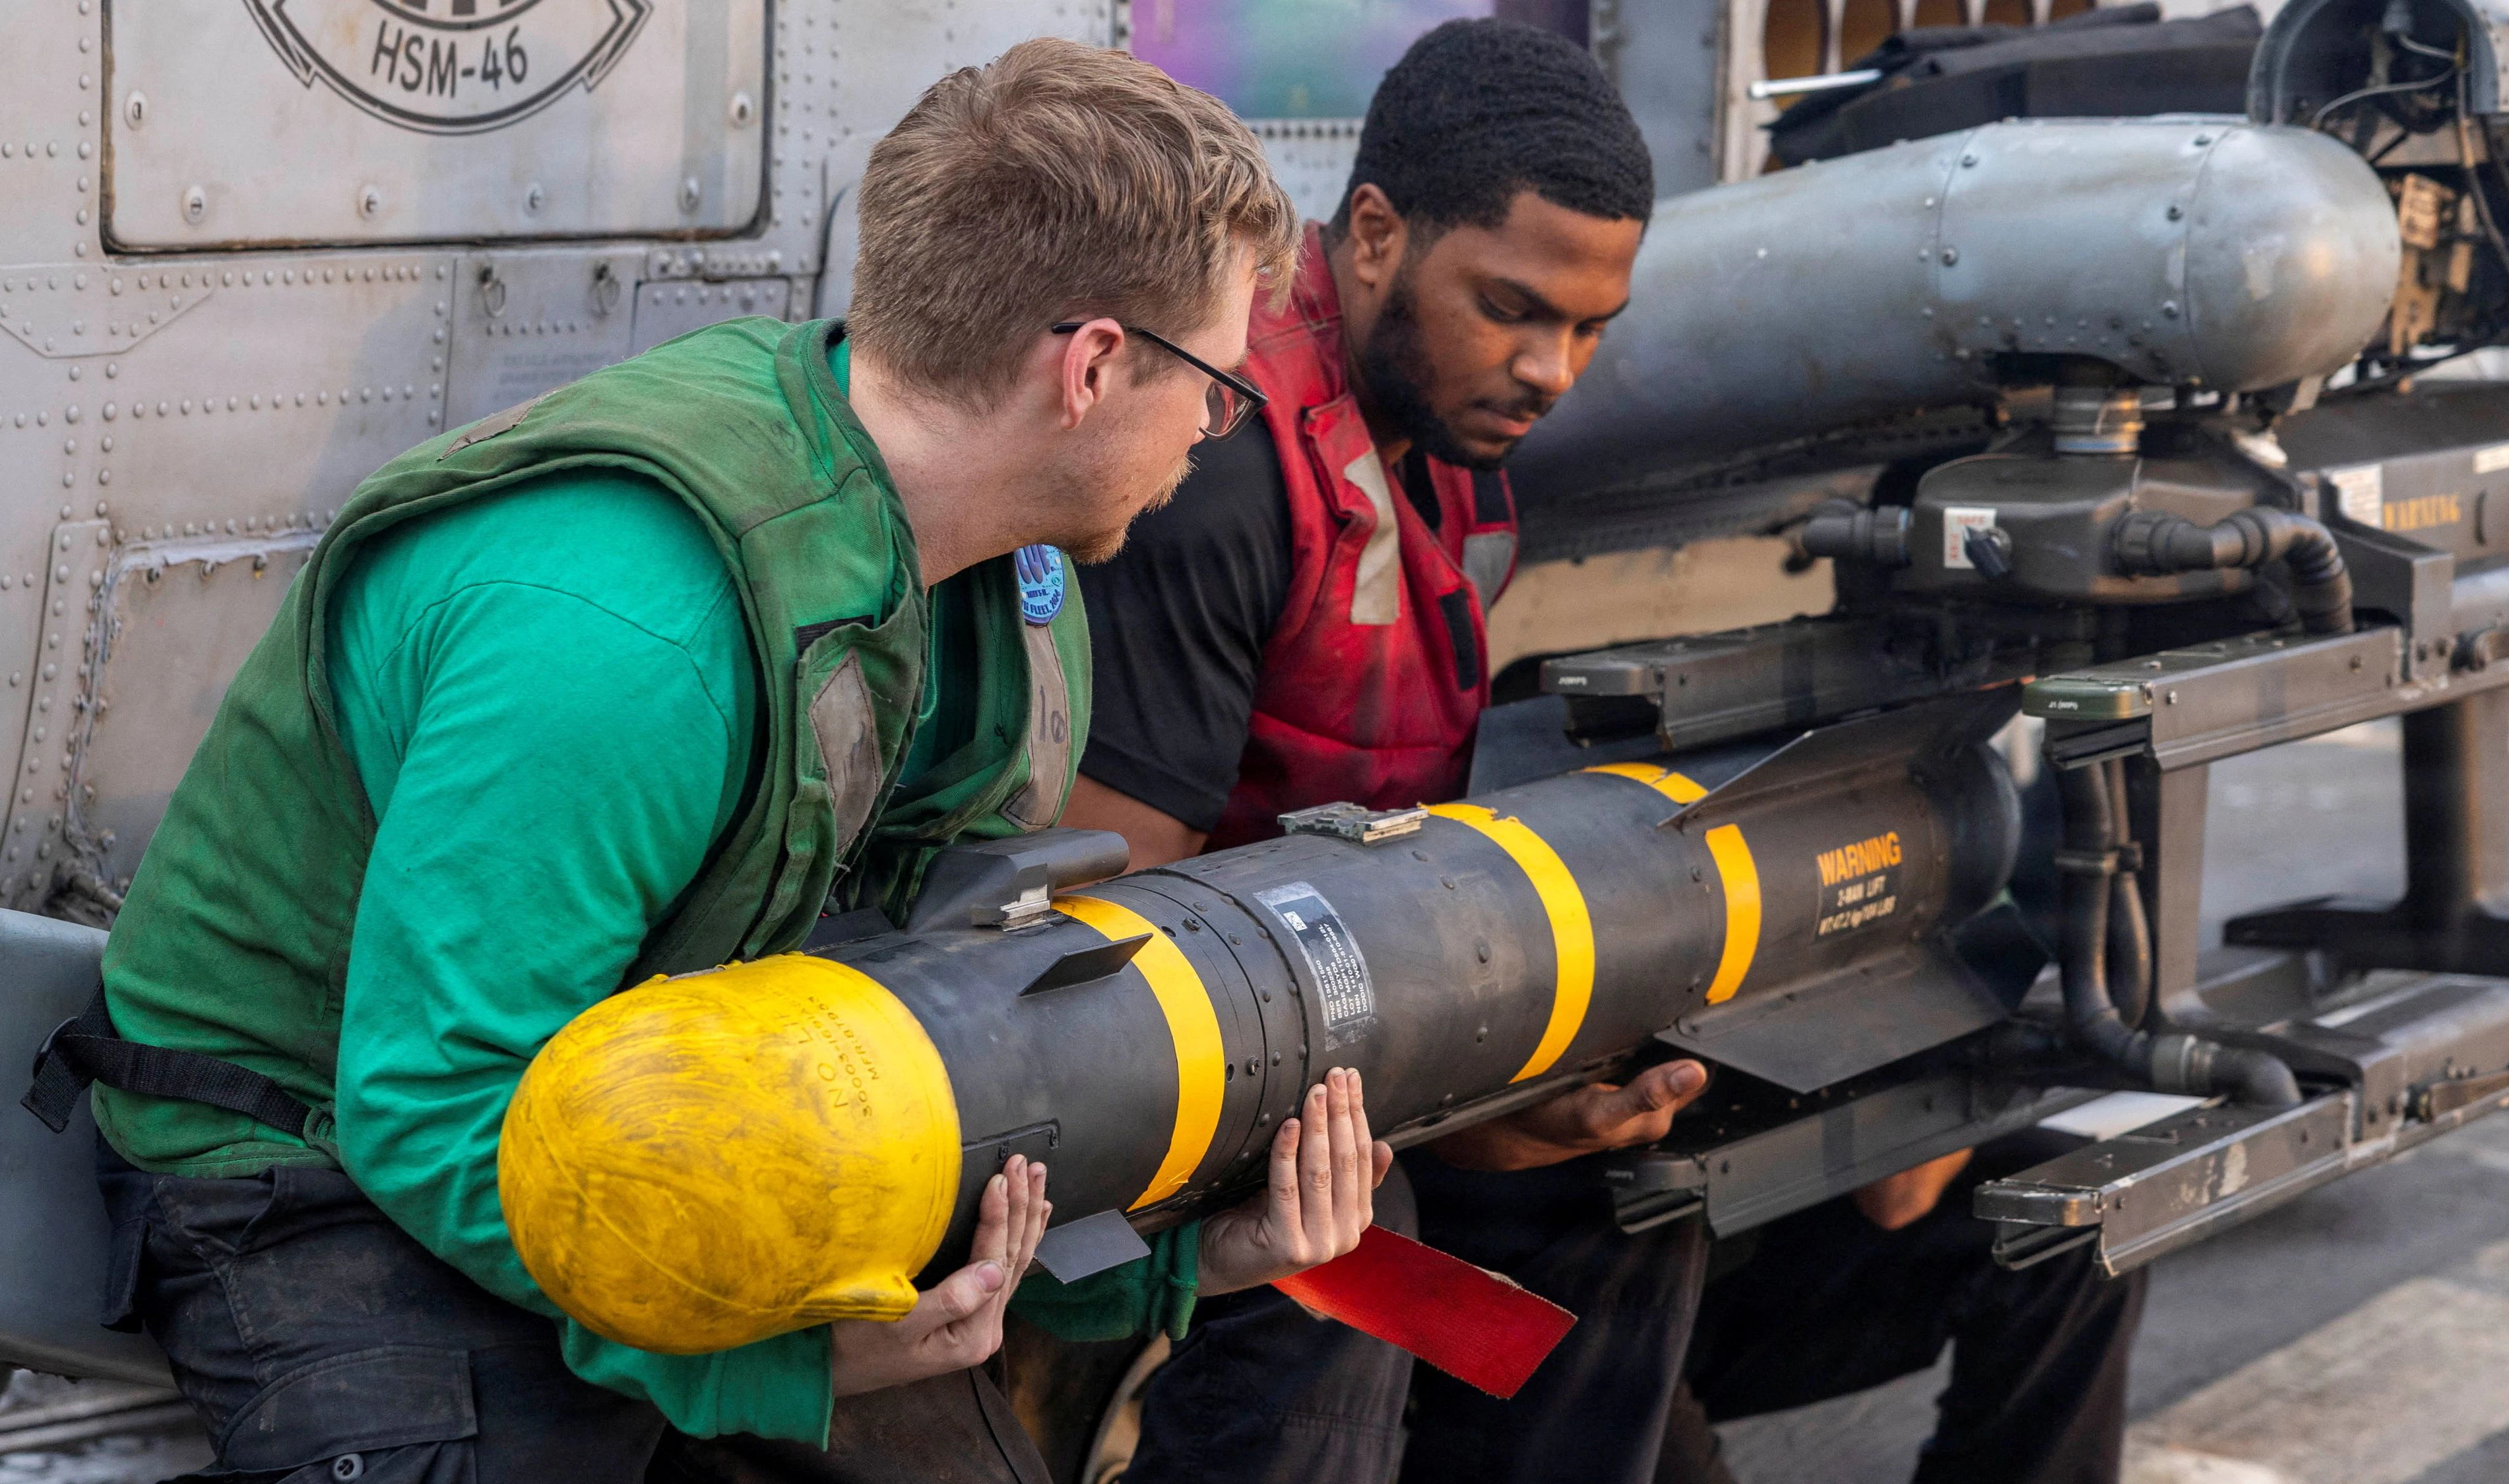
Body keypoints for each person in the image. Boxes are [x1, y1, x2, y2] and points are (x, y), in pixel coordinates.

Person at [37, 40, 1385, 1484]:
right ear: (1094, 364)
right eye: (1214, 389)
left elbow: (955, 1021)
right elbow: (430, 1104)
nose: (1211, 432)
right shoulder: (631, 629)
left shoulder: (1006, 592)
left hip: (687, 1108)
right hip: (329, 1169)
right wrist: (767, 1361)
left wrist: (1186, 1256)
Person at [1058, 18, 2146, 1484]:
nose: (1551, 371)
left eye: (1585, 329)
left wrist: (1509, 1106)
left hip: (1371, 1081)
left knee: (1663, 1196)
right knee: (1562, 1251)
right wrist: (1460, 1134)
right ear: (1371, 233)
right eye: (1510, 308)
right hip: (1235, 1164)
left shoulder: (1445, 459)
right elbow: (1107, 976)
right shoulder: (1229, 467)